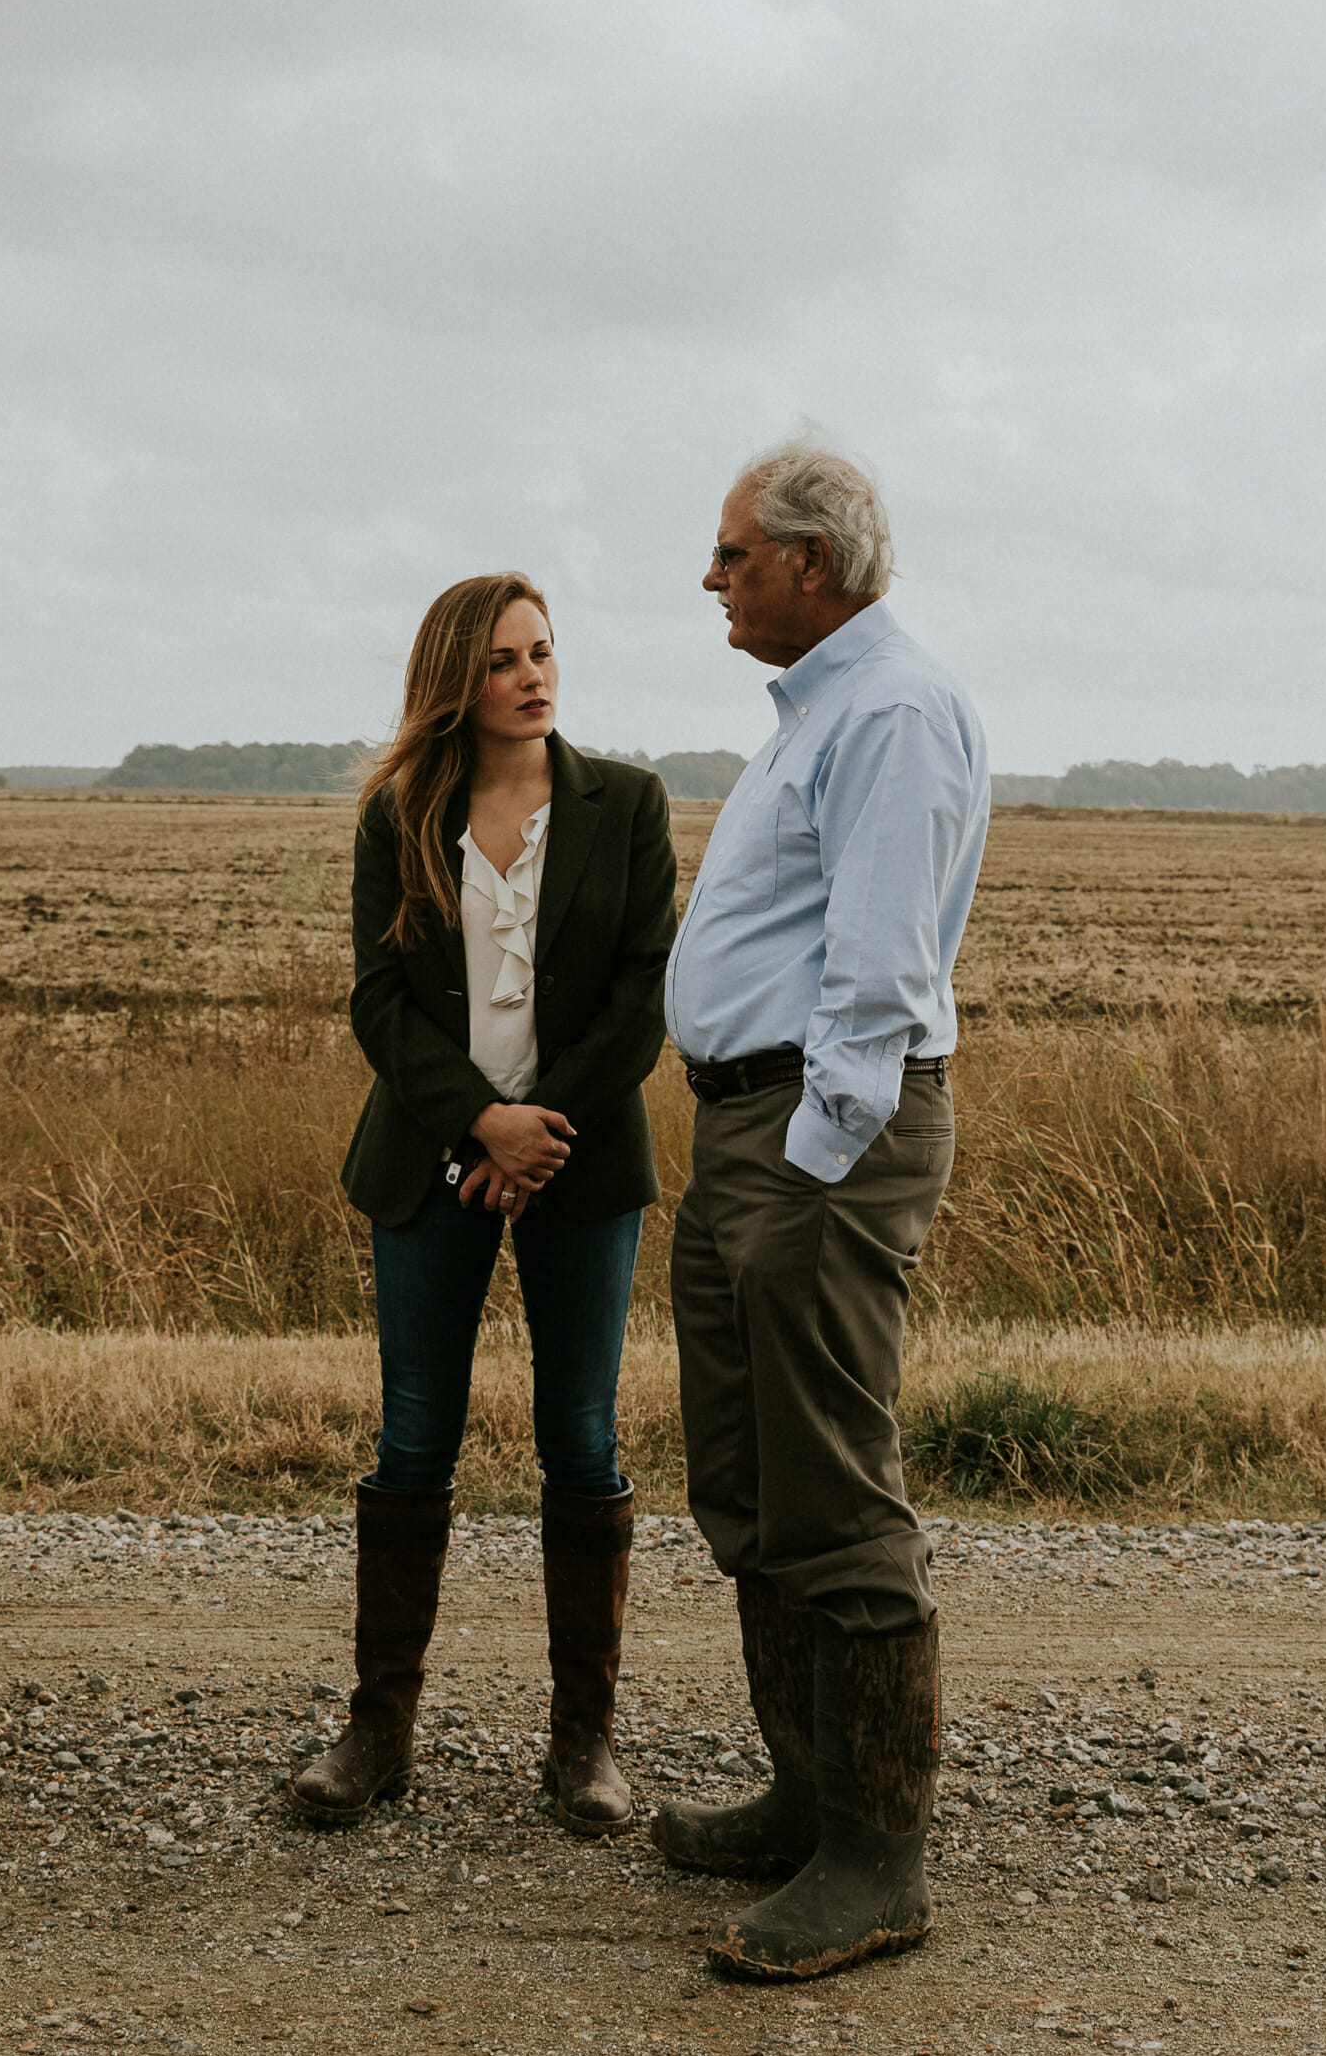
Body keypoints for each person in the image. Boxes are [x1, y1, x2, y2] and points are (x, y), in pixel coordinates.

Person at [654, 446, 990, 1979]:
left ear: (811, 561)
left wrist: (812, 1153)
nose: (712, 578)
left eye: (731, 554)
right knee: (749, 1478)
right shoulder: (819, 714)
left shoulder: (893, 712)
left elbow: (876, 969)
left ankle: (878, 1861)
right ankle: (806, 1794)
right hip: (747, 1129)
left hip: (813, 1137)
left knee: (835, 1489)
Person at [292, 572, 677, 1840]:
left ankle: (584, 1746)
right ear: (456, 675)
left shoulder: (624, 803)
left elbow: (639, 991)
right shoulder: (400, 812)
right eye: (507, 657)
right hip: (427, 1154)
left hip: (578, 1154)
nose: (533, 674)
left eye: (545, 651)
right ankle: (377, 1732)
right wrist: (477, 1121)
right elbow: (376, 1000)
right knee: (414, 1435)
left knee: (580, 1436)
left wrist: (534, 1134)